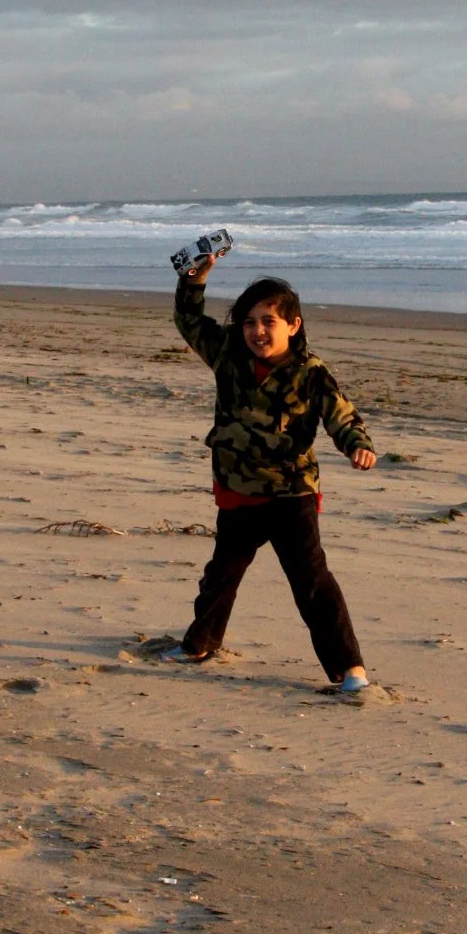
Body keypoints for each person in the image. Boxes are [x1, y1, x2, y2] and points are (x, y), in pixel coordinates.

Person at [167, 247, 376, 693]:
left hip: (291, 493)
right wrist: (193, 278)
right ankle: (199, 645)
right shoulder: (226, 353)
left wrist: (358, 446)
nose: (258, 331)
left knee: (312, 581)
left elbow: (341, 416)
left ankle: (350, 673)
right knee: (222, 574)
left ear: (293, 325)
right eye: (249, 322)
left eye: (268, 322)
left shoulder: (310, 373)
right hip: (238, 490)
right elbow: (188, 321)